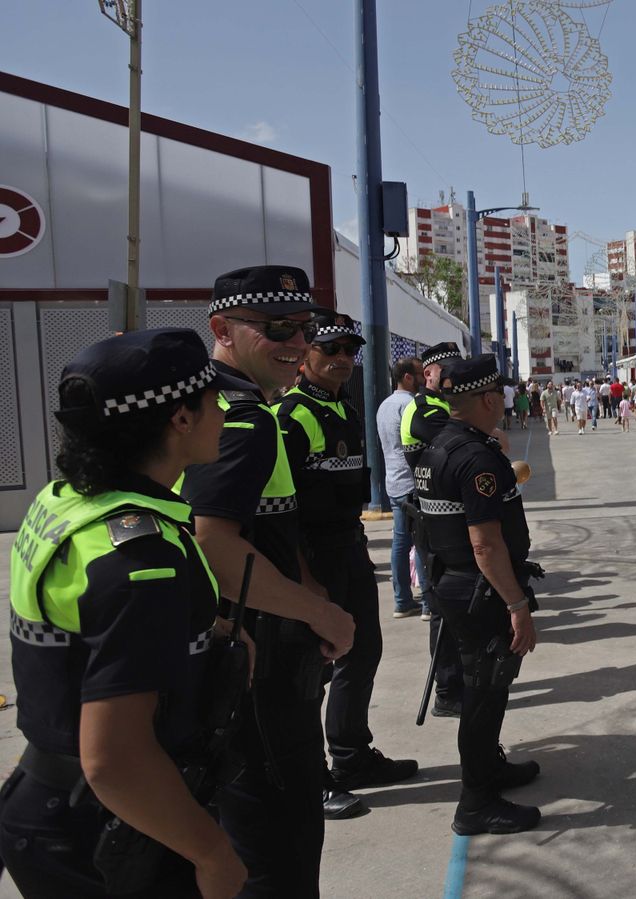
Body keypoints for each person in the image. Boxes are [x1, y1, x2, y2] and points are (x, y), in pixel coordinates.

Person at [1, 329, 248, 899]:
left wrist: (201, 628)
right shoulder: (143, 561)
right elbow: (114, 758)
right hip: (115, 830)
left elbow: (82, 623)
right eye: (215, 401)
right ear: (180, 420)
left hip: (51, 802)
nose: (225, 414)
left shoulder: (66, 501)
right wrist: (211, 853)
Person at [180, 265, 357, 894]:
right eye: (275, 327)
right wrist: (320, 615)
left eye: (304, 327)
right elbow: (214, 543)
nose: (296, 341)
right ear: (223, 329)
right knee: (276, 844)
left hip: (247, 643)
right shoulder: (244, 418)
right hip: (257, 657)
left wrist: (308, 586)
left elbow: (267, 521)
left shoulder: (241, 405)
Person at [275, 315, 419, 820]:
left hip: (348, 548)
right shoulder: (290, 416)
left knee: (362, 650)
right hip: (312, 559)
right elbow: (282, 510)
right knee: (310, 672)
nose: (341, 357)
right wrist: (305, 581)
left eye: (349, 349)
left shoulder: (342, 404)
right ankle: (311, 779)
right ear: (305, 353)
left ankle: (353, 758)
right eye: (330, 347)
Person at [413, 354, 543, 836]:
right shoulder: (476, 458)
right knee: (486, 690)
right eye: (501, 397)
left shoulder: (441, 444)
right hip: (479, 589)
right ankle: (476, 802)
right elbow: (485, 543)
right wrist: (517, 605)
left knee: (486, 684)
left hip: (454, 582)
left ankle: (489, 769)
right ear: (488, 399)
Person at [402, 341, 466, 717]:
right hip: (434, 520)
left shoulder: (446, 406)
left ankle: (459, 683)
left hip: (451, 517)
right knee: (444, 610)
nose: (455, 374)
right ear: (428, 374)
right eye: (448, 368)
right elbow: (471, 446)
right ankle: (447, 690)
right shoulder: (426, 410)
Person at [376, 357, 424, 617]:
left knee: (400, 543)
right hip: (413, 483)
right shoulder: (412, 405)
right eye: (419, 373)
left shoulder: (384, 405)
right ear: (407, 377)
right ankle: (428, 603)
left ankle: (402, 600)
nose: (424, 378)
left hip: (394, 483)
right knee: (422, 542)